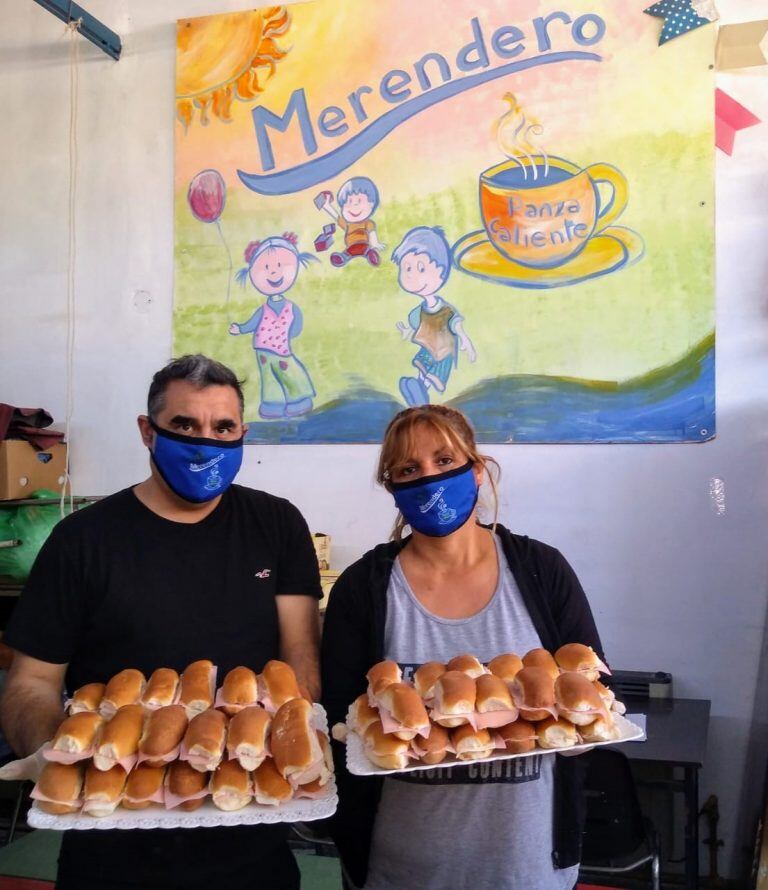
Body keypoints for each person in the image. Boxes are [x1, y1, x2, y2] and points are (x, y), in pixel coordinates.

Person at [0, 354, 322, 890]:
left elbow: (300, 659)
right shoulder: (81, 541)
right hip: (110, 847)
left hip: (249, 831)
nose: (206, 442)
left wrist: (294, 748)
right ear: (148, 432)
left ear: (243, 433)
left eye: (223, 428)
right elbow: (31, 682)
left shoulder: (278, 525)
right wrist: (69, 756)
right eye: (184, 426)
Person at [321, 404, 604, 890]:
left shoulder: (542, 570)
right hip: (399, 868)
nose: (428, 479)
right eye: (408, 469)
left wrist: (573, 729)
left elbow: (591, 696)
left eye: (444, 461)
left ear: (476, 470)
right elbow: (342, 725)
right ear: (392, 489)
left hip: (527, 867)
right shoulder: (362, 588)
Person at [229, 233, 318, 419]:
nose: (274, 272)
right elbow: (253, 323)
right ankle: (272, 405)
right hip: (263, 350)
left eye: (280, 266)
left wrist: (290, 333)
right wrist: (241, 328)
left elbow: (297, 326)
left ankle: (298, 400)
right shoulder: (263, 309)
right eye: (266, 267)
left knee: (291, 372)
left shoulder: (290, 307)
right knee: (269, 378)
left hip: (281, 348)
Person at [391, 226, 476, 407]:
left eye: (420, 268)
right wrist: (407, 332)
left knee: (432, 374)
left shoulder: (445, 310)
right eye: (407, 268)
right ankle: (418, 389)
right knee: (422, 369)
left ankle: (421, 390)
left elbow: (456, 324)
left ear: (441, 272)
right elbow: (417, 326)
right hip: (427, 350)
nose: (412, 276)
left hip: (442, 353)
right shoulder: (418, 311)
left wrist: (465, 340)